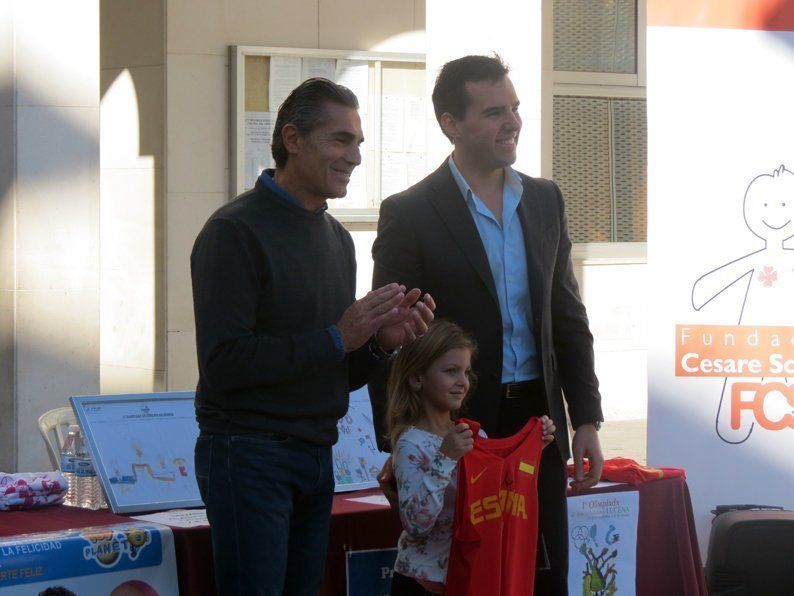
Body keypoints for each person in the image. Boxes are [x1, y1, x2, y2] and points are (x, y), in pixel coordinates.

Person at [370, 55, 604, 595]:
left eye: (515, 108)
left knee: (541, 578)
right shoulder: (411, 212)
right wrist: (400, 440)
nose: (513, 122)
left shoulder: (544, 198)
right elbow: (395, 338)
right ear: (451, 123)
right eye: (495, 111)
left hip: (538, 430)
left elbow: (567, 316)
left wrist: (586, 417)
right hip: (457, 431)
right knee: (468, 579)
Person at [190, 78, 434, 596]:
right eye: (341, 140)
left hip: (315, 456)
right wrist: (338, 336)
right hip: (248, 455)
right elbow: (225, 363)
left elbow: (333, 372)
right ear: (293, 139)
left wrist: (380, 343)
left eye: (359, 142)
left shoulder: (337, 239)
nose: (356, 157)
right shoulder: (233, 231)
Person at [386, 320, 555, 595]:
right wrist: (445, 458)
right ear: (417, 378)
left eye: (465, 371)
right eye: (451, 371)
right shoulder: (410, 444)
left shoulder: (474, 434)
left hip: (472, 578)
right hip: (423, 584)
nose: (462, 382)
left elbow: (498, 495)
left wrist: (534, 448)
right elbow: (417, 523)